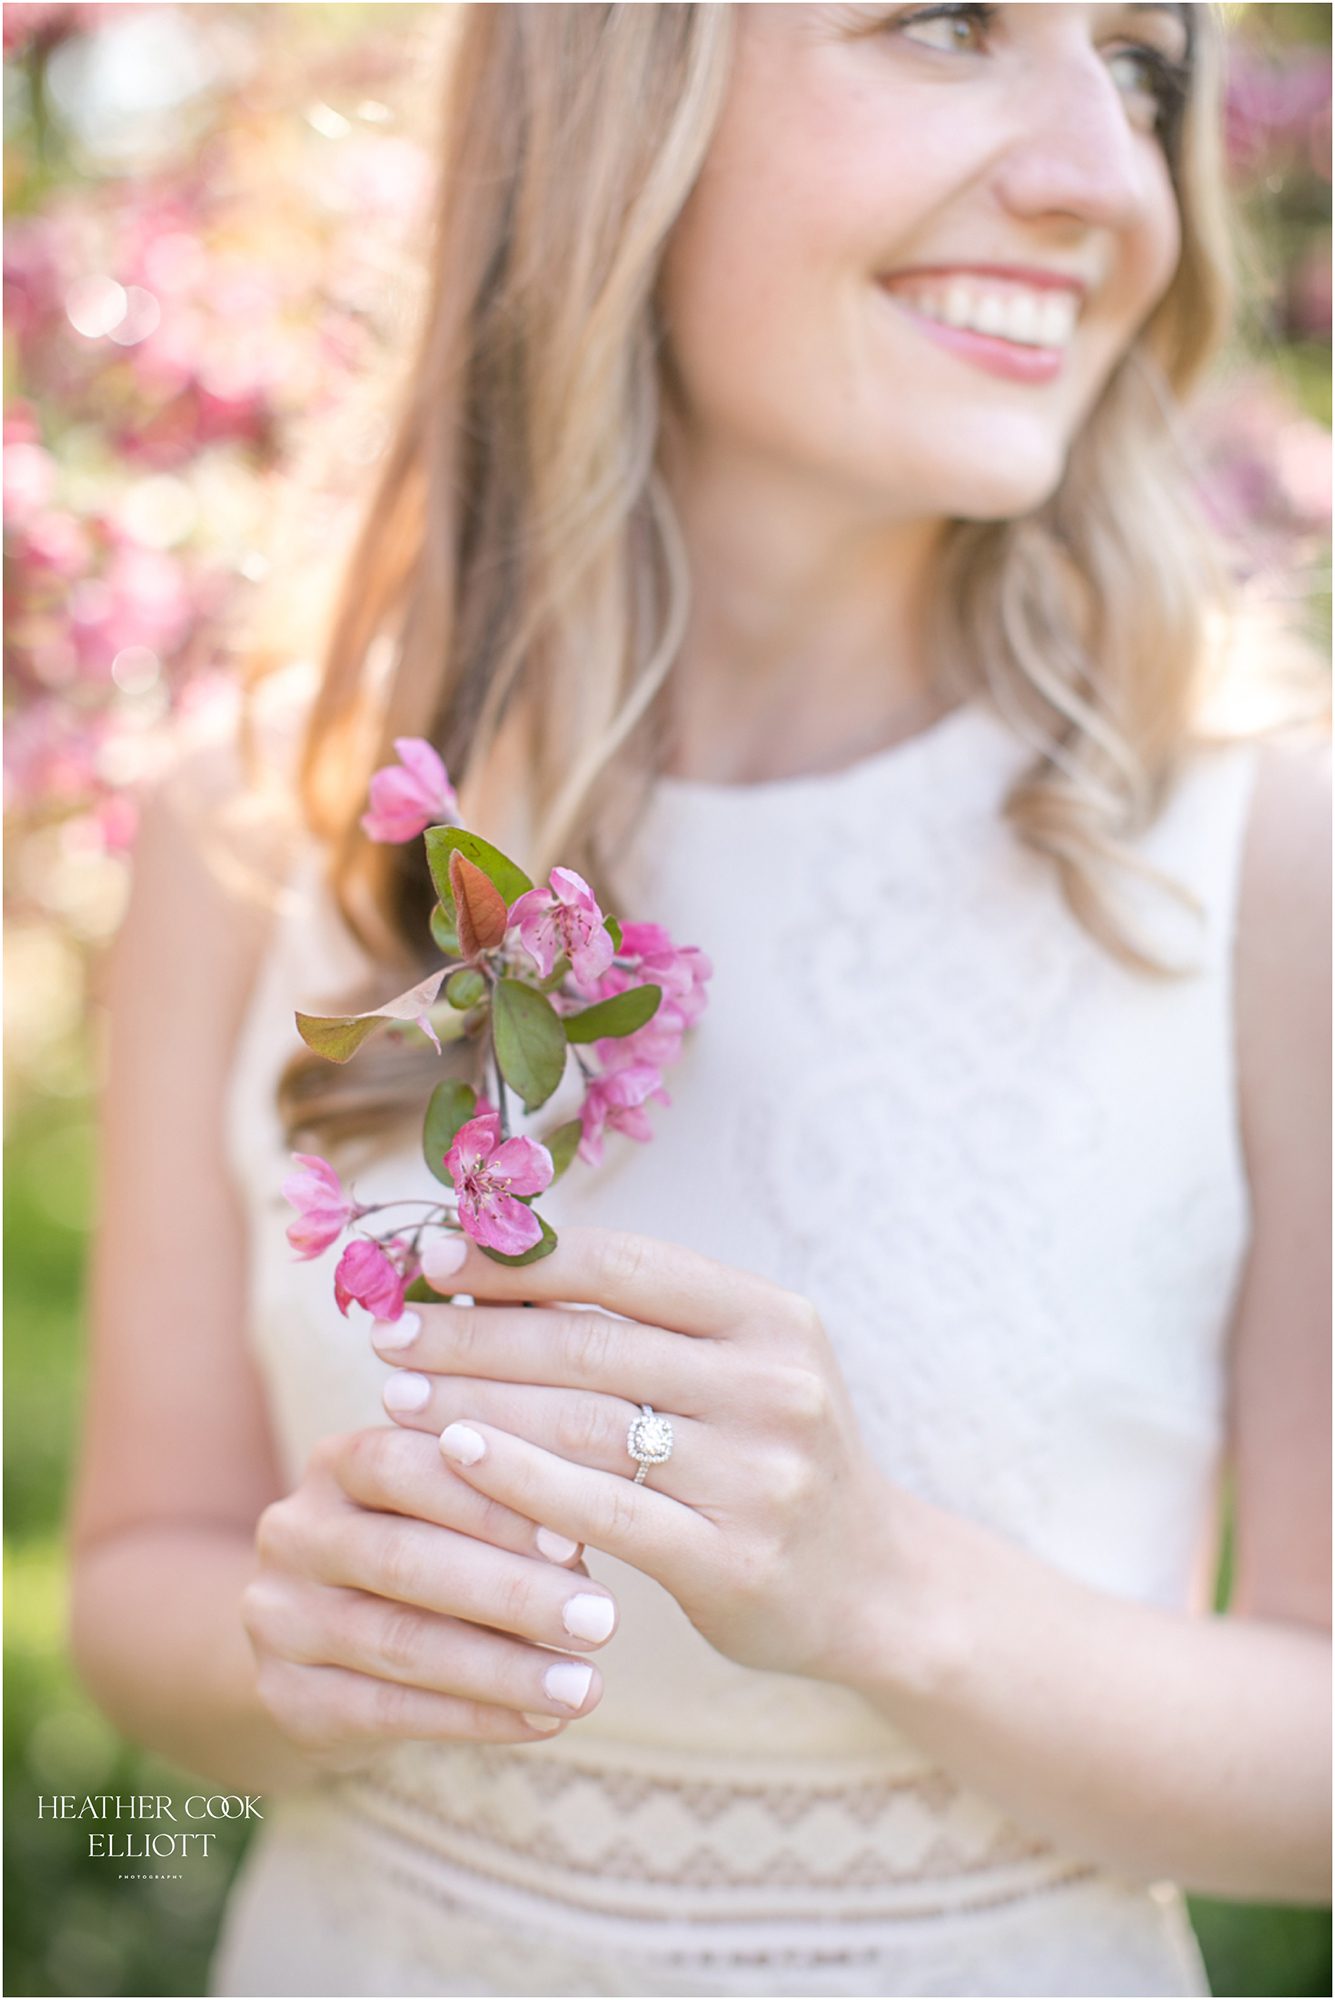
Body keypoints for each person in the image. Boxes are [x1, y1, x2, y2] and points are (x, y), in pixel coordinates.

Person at [68, 5, 1331, 1996]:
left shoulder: (1261, 855)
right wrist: (285, 1645)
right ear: (611, 98)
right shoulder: (260, 824)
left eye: (1145, 70)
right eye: (947, 24)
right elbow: (141, 1569)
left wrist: (882, 1589)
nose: (1108, 177)